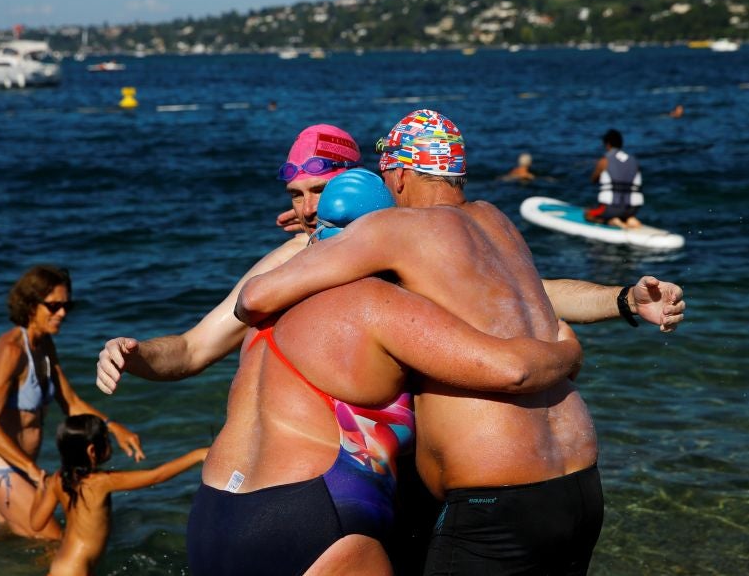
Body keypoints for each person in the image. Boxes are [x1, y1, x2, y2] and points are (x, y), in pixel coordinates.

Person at [233, 109, 640, 575]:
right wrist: (584, 336)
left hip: (498, 499)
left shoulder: (397, 229)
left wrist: (323, 241)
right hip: (580, 488)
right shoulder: (495, 222)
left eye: (385, 177)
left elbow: (254, 298)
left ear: (401, 175)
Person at [186, 169, 584, 575]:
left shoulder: (267, 312)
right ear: (381, 230)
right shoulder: (376, 305)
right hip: (314, 515)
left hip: (214, 513)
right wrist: (566, 350)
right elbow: (512, 370)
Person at [95, 123, 684, 398]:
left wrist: (620, 301)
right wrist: (136, 353)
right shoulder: (282, 265)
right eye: (296, 197)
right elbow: (196, 348)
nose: (306, 209)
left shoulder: (397, 246)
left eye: (319, 193)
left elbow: (529, 293)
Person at [0, 265, 145, 539]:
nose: (62, 313)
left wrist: (114, 427)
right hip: (2, 470)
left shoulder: (43, 346)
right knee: (59, 546)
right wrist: (31, 470)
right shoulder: (11, 350)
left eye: (67, 305)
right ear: (30, 305)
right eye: (53, 306)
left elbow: (71, 403)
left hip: (22, 468)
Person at [31, 414, 208, 576]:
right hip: (77, 570)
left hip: (62, 566)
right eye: (107, 440)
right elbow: (156, 475)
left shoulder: (58, 479)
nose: (110, 444)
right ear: (92, 451)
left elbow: (36, 524)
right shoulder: (100, 482)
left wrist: (40, 492)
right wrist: (197, 455)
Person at [584, 128, 643, 228]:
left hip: (611, 207)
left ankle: (611, 220)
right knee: (624, 207)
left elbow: (593, 180)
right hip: (633, 208)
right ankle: (628, 218)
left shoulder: (604, 160)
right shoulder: (634, 161)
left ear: (607, 144)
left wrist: (598, 167)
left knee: (588, 214)